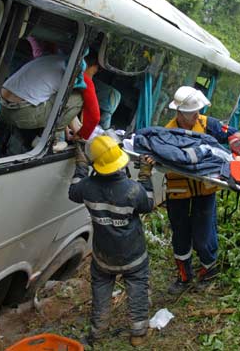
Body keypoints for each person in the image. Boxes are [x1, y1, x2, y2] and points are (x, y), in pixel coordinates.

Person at [164, 86, 240, 294]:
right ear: (180, 113)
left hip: (205, 190)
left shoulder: (207, 123)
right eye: (192, 113)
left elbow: (231, 133)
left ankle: (208, 270)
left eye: (197, 112)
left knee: (205, 233)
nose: (196, 116)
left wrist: (235, 141)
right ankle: (183, 276)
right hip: (178, 192)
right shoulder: (167, 132)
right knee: (180, 233)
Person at [68, 136, 154, 347]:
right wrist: (145, 174)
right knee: (137, 288)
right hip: (133, 255)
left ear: (95, 164)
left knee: (101, 289)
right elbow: (148, 203)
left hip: (103, 256)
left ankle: (97, 332)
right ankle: (138, 334)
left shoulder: (86, 187)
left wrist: (80, 166)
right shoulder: (133, 190)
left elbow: (73, 191)